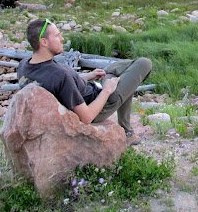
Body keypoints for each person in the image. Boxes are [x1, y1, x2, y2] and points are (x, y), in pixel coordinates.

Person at [17, 18, 152, 146]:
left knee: (117, 71)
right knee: (144, 64)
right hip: (98, 104)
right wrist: (107, 91)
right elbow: (87, 117)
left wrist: (89, 76)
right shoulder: (60, 75)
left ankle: (109, 73)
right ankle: (127, 133)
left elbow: (61, 86)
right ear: (44, 42)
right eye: (58, 36)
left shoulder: (25, 66)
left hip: (90, 88)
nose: (62, 39)